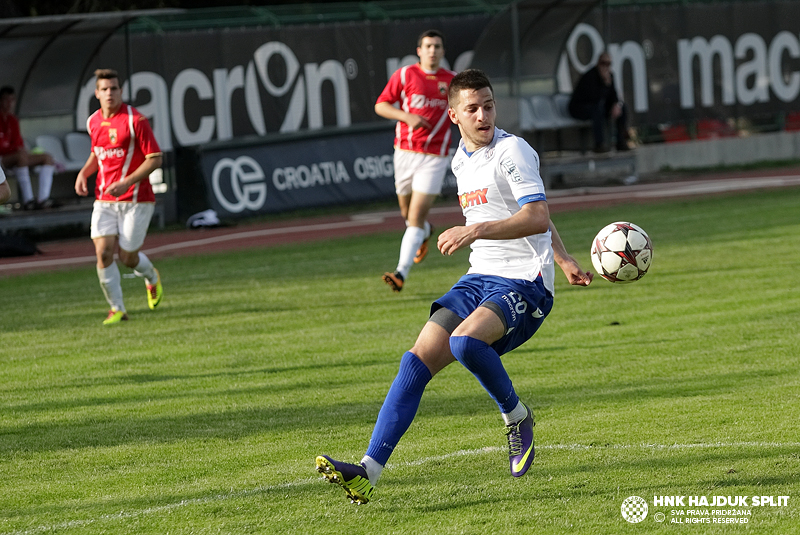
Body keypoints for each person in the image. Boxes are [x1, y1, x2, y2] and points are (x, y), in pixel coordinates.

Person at [316, 69, 593, 504]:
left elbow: (537, 215)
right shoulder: (461, 159)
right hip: (479, 277)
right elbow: (530, 212)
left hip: (525, 280)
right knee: (414, 363)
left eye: (488, 105)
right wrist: (565, 255)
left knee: (465, 343)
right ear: (453, 115)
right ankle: (368, 471)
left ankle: (517, 417)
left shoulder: (513, 150)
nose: (483, 114)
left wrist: (482, 233)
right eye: (472, 108)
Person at [75, 69, 164, 325]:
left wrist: (126, 182)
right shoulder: (93, 121)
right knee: (103, 253)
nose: (109, 93)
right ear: (96, 93)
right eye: (104, 89)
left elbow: (155, 159)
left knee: (128, 258)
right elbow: (97, 153)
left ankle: (151, 277)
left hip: (136, 200)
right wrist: (84, 172)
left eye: (114, 88)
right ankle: (117, 309)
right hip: (103, 200)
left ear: (121, 91)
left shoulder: (136, 120)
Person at [374, 29, 456, 292]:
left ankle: (400, 273)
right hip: (405, 152)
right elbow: (381, 105)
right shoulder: (406, 74)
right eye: (428, 46)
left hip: (435, 155)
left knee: (415, 216)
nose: (433, 50)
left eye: (438, 46)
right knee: (407, 215)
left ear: (443, 52)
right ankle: (425, 230)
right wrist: (406, 117)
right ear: (419, 50)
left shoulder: (452, 81)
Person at [0, 86, 57, 210]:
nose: (9, 103)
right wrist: (14, 149)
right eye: (6, 100)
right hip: (3, 159)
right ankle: (28, 200)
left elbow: (18, 143)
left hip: (15, 156)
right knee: (21, 157)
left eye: (12, 100)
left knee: (47, 158)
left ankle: (43, 199)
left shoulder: (12, 120)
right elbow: (4, 146)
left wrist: (16, 149)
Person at [568, 52, 630, 153]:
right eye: (603, 63)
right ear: (598, 63)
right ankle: (599, 144)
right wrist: (604, 84)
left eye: (608, 64)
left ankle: (621, 141)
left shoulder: (610, 76)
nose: (606, 67)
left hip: (596, 107)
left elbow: (613, 95)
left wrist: (616, 105)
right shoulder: (590, 76)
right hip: (579, 108)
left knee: (622, 108)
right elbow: (593, 97)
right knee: (597, 109)